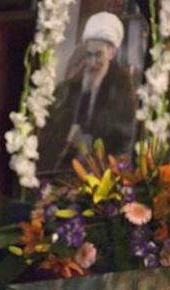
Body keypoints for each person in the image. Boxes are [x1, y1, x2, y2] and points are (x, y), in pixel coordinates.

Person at [38, 11, 137, 172]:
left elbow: (123, 139)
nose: (92, 63)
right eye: (89, 55)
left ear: (111, 52)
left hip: (103, 171)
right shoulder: (76, 80)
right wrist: (67, 137)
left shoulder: (122, 86)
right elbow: (51, 125)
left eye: (99, 55)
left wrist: (89, 143)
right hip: (67, 167)